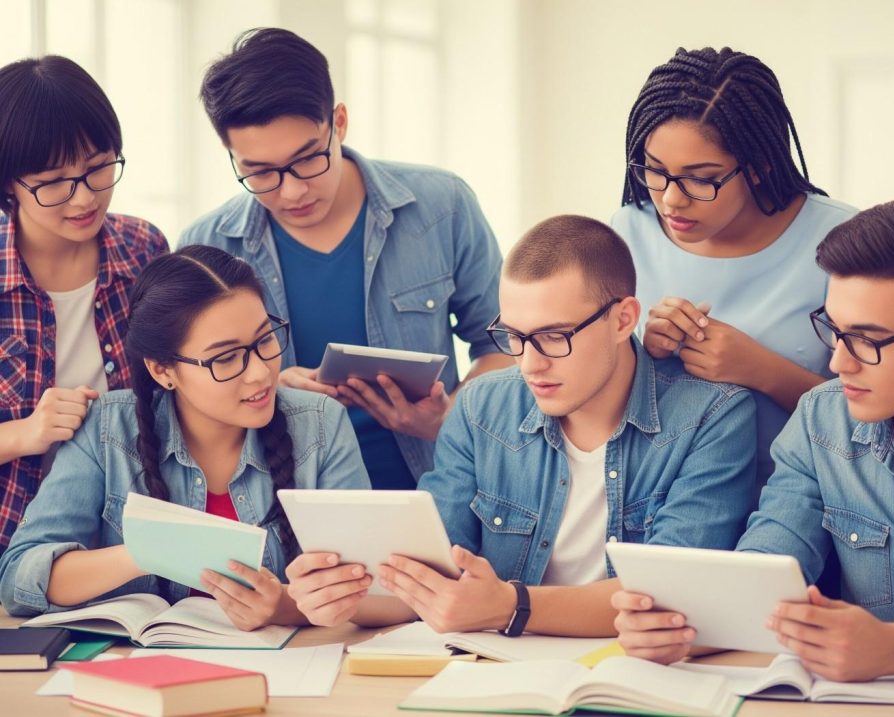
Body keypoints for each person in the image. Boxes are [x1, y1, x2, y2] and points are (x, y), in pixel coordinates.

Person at [285, 215, 757, 636]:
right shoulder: (479, 407)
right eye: (514, 336)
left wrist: (510, 606)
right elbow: (431, 573)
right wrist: (326, 596)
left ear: (623, 319)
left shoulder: (713, 417)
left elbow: (668, 595)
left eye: (553, 337)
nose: (530, 364)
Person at [612, 200, 894, 681]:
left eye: (867, 341)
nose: (838, 364)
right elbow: (767, 568)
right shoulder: (820, 420)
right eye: (833, 330)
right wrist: (679, 632)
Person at [180, 28, 511, 490]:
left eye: (308, 159)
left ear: (339, 122)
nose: (292, 191)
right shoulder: (207, 247)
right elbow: (187, 399)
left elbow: (505, 344)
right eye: (260, 173)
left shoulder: (443, 206)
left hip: (437, 489)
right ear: (231, 155)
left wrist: (450, 417)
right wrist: (267, 392)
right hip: (284, 508)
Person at [0, 245, 370, 631]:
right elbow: (19, 576)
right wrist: (152, 550)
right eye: (225, 358)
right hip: (138, 674)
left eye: (265, 340)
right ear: (163, 371)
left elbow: (372, 589)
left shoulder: (321, 423)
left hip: (290, 673)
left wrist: (281, 606)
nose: (260, 373)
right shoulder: (108, 429)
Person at [611, 46, 858, 490]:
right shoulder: (628, 232)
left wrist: (761, 369)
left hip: (805, 505)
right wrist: (642, 356)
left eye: (701, 178)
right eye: (654, 170)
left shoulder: (845, 241)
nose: (671, 199)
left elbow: (889, 416)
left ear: (760, 167)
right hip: (656, 511)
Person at [0, 55, 168, 554]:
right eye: (53, 182)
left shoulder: (144, 249)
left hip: (129, 551)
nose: (84, 199)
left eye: (98, 168)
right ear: (9, 183)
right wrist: (25, 433)